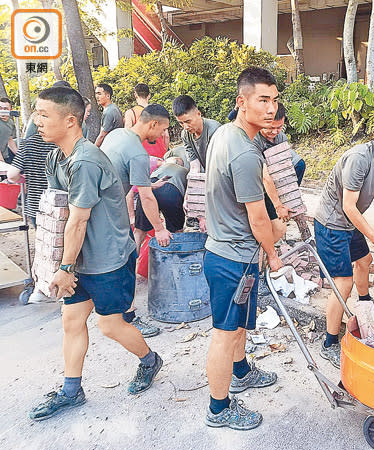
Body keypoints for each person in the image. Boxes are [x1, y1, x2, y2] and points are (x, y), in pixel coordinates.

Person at [28, 87, 162, 421]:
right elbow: (58, 213)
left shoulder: (86, 160)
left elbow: (78, 220)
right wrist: (55, 264)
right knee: (72, 321)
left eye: (44, 115)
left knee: (110, 325)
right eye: (37, 113)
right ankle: (71, 391)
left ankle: (150, 361)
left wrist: (64, 267)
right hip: (79, 260)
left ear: (70, 120)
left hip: (107, 259)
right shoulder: (56, 156)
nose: (36, 121)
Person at [203, 67, 283, 430]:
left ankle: (241, 371)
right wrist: (275, 252)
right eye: (262, 100)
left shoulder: (224, 133)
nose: (270, 109)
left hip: (226, 251)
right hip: (233, 258)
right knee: (224, 332)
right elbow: (257, 219)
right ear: (242, 101)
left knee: (237, 328)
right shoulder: (245, 153)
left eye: (275, 100)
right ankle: (219, 408)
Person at [314, 104, 374, 369]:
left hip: (350, 222)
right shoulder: (359, 158)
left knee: (364, 261)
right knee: (342, 283)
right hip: (332, 223)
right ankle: (329, 342)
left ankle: (365, 302)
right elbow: (348, 206)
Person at [101, 104, 172, 338]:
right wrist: (160, 229)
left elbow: (122, 173)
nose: (162, 135)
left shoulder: (116, 135)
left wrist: (151, 184)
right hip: (111, 213)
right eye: (162, 130)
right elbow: (145, 196)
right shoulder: (138, 152)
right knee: (127, 259)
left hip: (100, 207)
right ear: (153, 124)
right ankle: (128, 316)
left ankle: (112, 311)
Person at [253, 103, 306, 242]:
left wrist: (288, 202)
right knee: (272, 228)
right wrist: (278, 206)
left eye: (279, 127)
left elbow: (284, 170)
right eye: (271, 128)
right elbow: (265, 177)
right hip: (255, 186)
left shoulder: (280, 137)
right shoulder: (253, 141)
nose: (275, 132)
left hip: (274, 181)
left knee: (299, 164)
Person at [134, 156, 188, 244]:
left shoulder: (160, 168)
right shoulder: (185, 171)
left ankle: (132, 257)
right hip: (172, 190)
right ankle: (174, 255)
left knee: (139, 232)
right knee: (176, 233)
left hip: (150, 187)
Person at [172, 95, 220, 173]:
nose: (185, 127)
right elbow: (194, 165)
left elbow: (220, 166)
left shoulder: (214, 130)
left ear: (198, 114)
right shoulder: (185, 135)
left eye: (188, 121)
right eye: (181, 123)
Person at [124, 83, 169, 158]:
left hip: (142, 155)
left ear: (135, 95)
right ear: (149, 95)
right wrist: (165, 151)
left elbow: (127, 136)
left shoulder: (131, 113)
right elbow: (166, 136)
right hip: (160, 153)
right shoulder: (159, 112)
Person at [94, 83, 123, 147]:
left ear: (108, 96)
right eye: (96, 94)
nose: (97, 97)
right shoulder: (114, 107)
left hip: (112, 147)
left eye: (99, 94)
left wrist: (94, 149)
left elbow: (102, 135)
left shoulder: (109, 111)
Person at [0, 97, 17, 164]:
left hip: (5, 155)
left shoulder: (11, 122)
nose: (2, 111)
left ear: (10, 110)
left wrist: (19, 156)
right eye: (0, 108)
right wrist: (2, 163)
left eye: (5, 109)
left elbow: (9, 140)